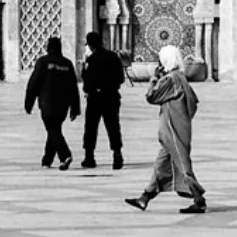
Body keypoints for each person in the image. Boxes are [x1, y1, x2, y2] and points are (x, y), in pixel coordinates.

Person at [125, 44, 207, 215]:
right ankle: (145, 198)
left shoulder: (170, 80)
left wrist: (154, 78)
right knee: (161, 165)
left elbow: (151, 96)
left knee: (183, 164)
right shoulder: (180, 77)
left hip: (173, 131)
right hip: (176, 129)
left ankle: (199, 199)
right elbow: (193, 103)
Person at [24, 36, 81, 170]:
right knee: (54, 129)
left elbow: (33, 84)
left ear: (48, 48)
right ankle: (47, 160)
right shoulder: (67, 63)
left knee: (52, 130)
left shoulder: (43, 62)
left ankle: (65, 155)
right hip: (63, 106)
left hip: (47, 103)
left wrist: (29, 102)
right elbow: (73, 87)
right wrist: (75, 107)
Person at [80, 30, 124, 170]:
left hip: (95, 98)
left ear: (90, 45)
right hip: (111, 97)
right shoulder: (113, 57)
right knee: (113, 126)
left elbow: (86, 81)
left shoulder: (91, 60)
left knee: (91, 128)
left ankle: (89, 157)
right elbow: (121, 78)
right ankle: (117, 155)